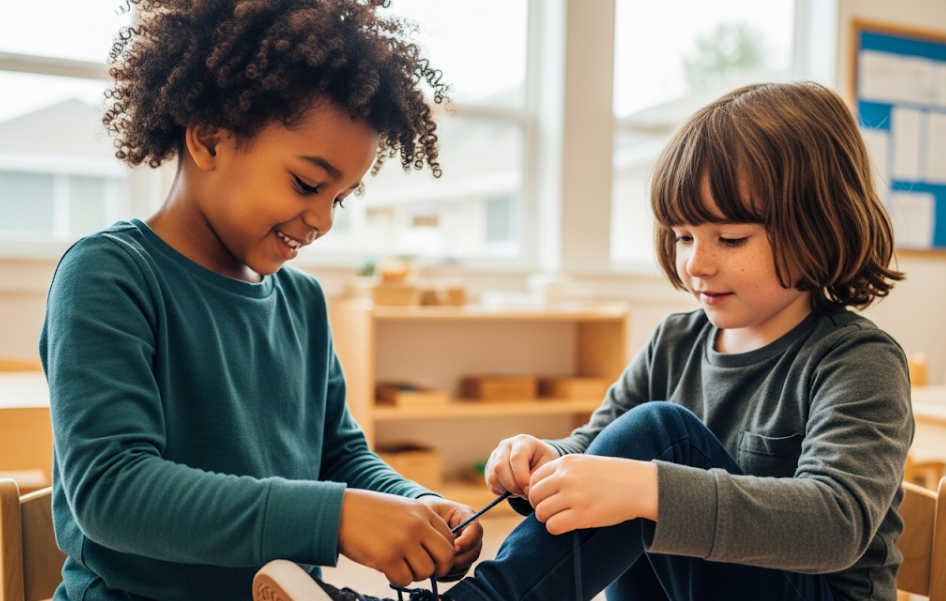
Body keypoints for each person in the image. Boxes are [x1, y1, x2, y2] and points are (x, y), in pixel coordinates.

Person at [254, 81, 914, 601]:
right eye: (683, 236)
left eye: (729, 239)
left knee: (665, 439)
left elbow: (836, 523)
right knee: (641, 457)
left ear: (818, 225)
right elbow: (598, 447)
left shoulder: (857, 360)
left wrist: (645, 486)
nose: (696, 264)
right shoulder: (678, 339)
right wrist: (545, 459)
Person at [40, 1, 484, 600]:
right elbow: (114, 491)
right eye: (307, 183)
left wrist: (417, 505)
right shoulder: (109, 276)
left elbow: (338, 454)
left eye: (341, 198)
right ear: (209, 137)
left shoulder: (302, 301)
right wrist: (338, 517)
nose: (323, 219)